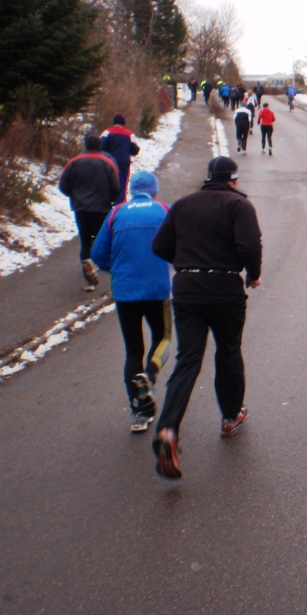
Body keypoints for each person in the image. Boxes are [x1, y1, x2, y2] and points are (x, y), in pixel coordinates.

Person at [150, 156, 262, 479]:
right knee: (228, 351)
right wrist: (252, 275)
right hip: (225, 287)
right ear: (234, 180)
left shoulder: (183, 205)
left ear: (208, 177)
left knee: (188, 360)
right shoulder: (239, 207)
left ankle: (168, 430)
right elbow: (249, 246)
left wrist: (186, 263)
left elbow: (159, 246)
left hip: (186, 288)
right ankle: (230, 417)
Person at [90, 171, 171, 433]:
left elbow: (98, 254)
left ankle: (138, 412)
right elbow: (178, 245)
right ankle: (149, 375)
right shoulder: (163, 210)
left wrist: (119, 269)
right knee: (164, 338)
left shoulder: (117, 213)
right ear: (154, 191)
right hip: (157, 291)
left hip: (125, 292)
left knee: (133, 349)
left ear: (132, 190)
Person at [58, 134, 121, 291]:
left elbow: (63, 186)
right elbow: (116, 187)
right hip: (102, 207)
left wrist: (75, 196)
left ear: (85, 145)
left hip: (81, 208)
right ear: (100, 146)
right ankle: (100, 264)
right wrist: (109, 200)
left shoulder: (74, 162)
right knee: (101, 237)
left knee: (85, 240)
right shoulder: (108, 163)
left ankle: (88, 275)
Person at [101, 114, 141, 205]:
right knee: (122, 185)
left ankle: (107, 204)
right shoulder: (129, 134)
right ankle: (120, 205)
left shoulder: (107, 132)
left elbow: (101, 146)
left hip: (109, 163)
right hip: (123, 163)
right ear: (124, 123)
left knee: (108, 183)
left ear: (114, 122)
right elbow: (135, 150)